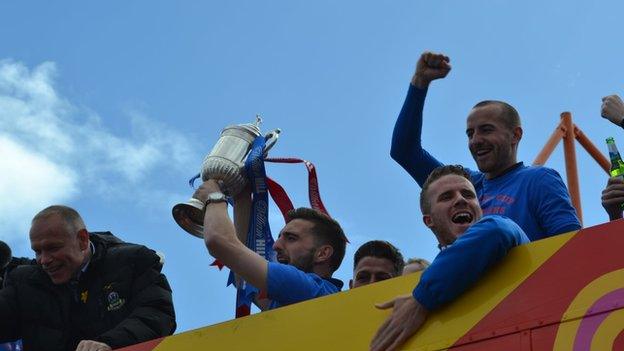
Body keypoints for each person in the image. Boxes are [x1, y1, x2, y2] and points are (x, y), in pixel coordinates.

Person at [390, 51, 581, 241]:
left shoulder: (538, 180)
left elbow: (570, 246)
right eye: (470, 133)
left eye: (486, 130)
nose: (475, 140)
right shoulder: (463, 184)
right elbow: (405, 151)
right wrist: (419, 82)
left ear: (516, 135)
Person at [370, 165, 529, 351]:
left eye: (468, 195)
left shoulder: (506, 232)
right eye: (446, 197)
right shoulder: (432, 278)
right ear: (429, 221)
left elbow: (496, 232)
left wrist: (420, 301)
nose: (460, 200)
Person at [0, 206, 176, 351]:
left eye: (53, 248)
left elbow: (157, 314)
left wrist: (109, 343)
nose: (44, 260)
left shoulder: (133, 261)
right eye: (37, 251)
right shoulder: (23, 281)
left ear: (82, 240)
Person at [195, 179, 347, 309]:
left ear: (322, 253)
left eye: (291, 238)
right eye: (280, 237)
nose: (276, 246)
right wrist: (241, 195)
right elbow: (242, 278)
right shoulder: (298, 296)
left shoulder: (312, 289)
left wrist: (214, 197)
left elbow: (218, 241)